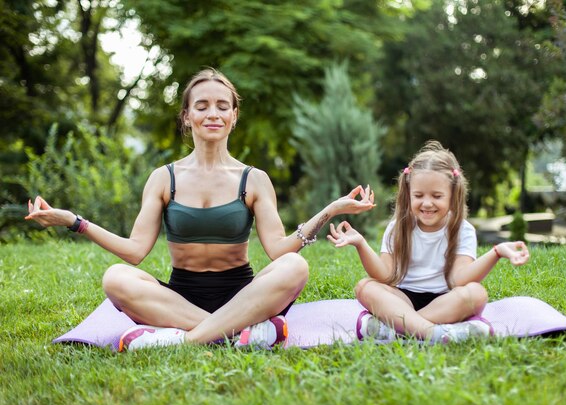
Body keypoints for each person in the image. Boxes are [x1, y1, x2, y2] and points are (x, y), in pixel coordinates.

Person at [26, 67, 375, 351]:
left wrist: (330, 209)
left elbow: (278, 250)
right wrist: (73, 221)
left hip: (242, 295)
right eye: (203, 105)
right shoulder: (164, 178)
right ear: (187, 116)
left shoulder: (253, 180)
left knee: (294, 266)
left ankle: (186, 340)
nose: (213, 113)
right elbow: (134, 253)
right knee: (115, 277)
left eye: (223, 106)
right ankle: (239, 333)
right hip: (180, 298)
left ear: (234, 116)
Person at [327, 141, 530, 344]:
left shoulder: (463, 229)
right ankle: (435, 333)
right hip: (402, 300)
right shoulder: (398, 227)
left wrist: (496, 252)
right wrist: (361, 243)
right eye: (418, 195)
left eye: (437, 196)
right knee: (365, 287)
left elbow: (460, 281)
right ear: (408, 194)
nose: (426, 203)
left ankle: (396, 329)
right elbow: (385, 275)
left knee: (476, 294)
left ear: (452, 196)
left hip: (445, 303)